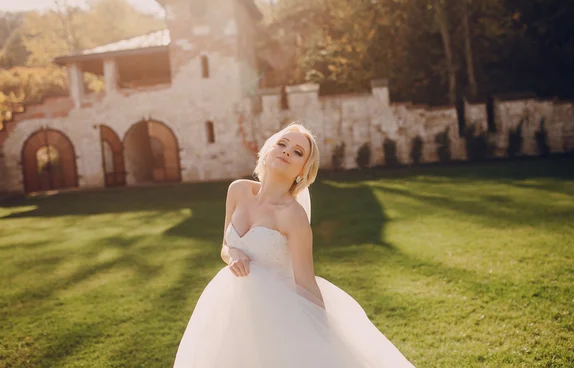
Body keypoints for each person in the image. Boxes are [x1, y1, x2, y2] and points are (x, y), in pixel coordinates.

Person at [172, 122, 416, 367]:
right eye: (282, 144)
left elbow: (306, 282)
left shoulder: (293, 216)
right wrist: (233, 252)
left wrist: (324, 335)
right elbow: (225, 246)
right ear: (267, 151)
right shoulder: (238, 190)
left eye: (298, 152)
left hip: (275, 316)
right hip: (229, 303)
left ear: (302, 171)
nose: (287, 151)